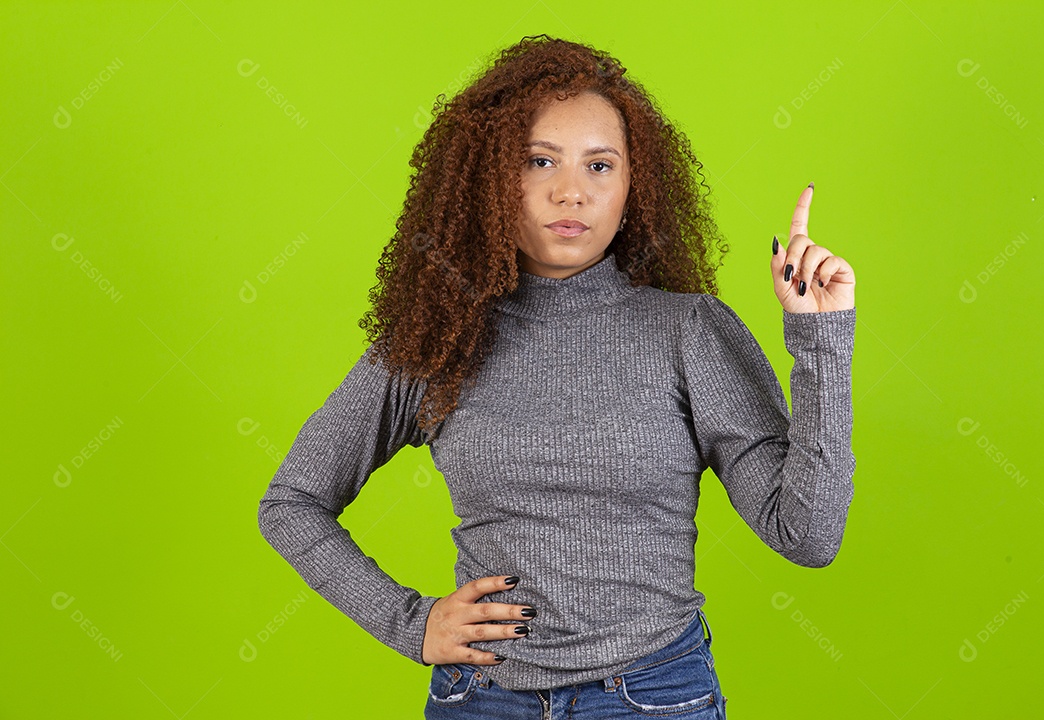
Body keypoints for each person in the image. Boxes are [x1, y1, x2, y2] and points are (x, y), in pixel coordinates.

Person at [257, 34, 857, 719]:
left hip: (652, 697)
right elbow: (291, 503)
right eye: (539, 160)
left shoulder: (690, 332)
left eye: (600, 166)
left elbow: (806, 535)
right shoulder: (438, 336)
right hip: (482, 701)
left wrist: (821, 340)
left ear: (634, 189)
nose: (571, 190)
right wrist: (410, 621)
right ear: (492, 179)